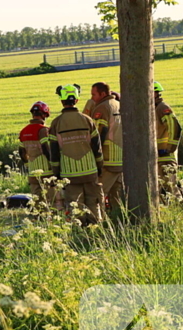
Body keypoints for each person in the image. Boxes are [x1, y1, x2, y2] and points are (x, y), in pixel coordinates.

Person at [49, 83, 104, 225]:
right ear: (77, 100)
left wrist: (56, 174)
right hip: (90, 171)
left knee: (75, 206)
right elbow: (96, 147)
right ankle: (96, 231)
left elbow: (54, 153)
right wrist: (99, 168)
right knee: (93, 203)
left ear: (61, 100)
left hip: (70, 174)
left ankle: (79, 234)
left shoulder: (56, 123)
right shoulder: (87, 120)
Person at [89, 82, 124, 211]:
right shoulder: (118, 105)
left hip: (107, 159)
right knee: (117, 198)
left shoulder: (102, 108)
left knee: (98, 195)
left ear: (103, 94)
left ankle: (98, 223)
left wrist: (94, 154)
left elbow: (98, 134)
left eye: (94, 94)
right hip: (120, 158)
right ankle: (118, 221)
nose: (92, 98)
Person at [18, 101, 58, 207]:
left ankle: (37, 220)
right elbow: (46, 148)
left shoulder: (24, 131)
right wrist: (53, 164)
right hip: (47, 172)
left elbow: (21, 152)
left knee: (37, 203)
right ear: (44, 114)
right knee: (52, 201)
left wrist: (28, 165)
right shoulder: (43, 130)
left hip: (32, 173)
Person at [153, 82, 183, 198]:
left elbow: (175, 127)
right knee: (160, 190)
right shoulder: (153, 108)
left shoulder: (162, 108)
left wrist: (169, 148)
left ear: (155, 93)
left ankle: (182, 211)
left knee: (171, 188)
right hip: (157, 157)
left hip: (166, 157)